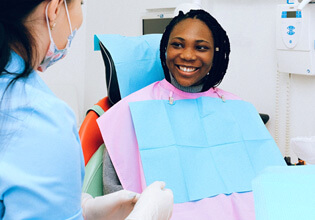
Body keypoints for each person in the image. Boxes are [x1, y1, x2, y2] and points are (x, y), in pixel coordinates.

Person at [98, 9, 286, 219]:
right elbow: (115, 195)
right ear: (165, 49)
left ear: (215, 54)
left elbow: (276, 187)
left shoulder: (239, 109)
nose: (187, 55)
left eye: (201, 47)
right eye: (177, 44)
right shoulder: (130, 110)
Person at [0, 0, 173, 219]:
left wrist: (81, 209)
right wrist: (146, 215)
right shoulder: (42, 119)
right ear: (54, 9)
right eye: (80, 3)